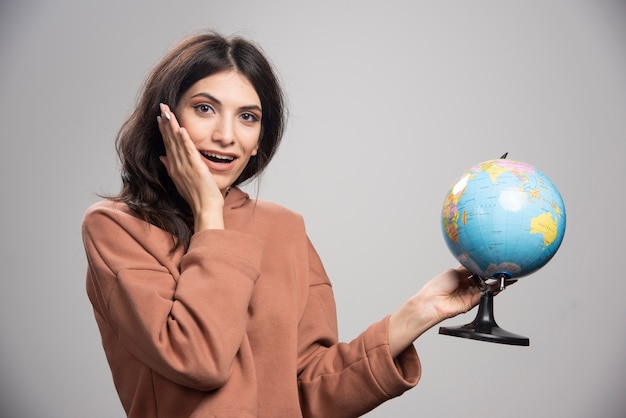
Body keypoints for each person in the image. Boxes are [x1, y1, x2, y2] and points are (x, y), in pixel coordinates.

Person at [81, 30, 483, 418]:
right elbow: (199, 360)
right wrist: (209, 213)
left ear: (259, 140)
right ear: (166, 119)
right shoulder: (115, 229)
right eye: (205, 108)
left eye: (247, 117)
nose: (225, 135)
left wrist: (418, 313)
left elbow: (310, 390)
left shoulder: (285, 228)